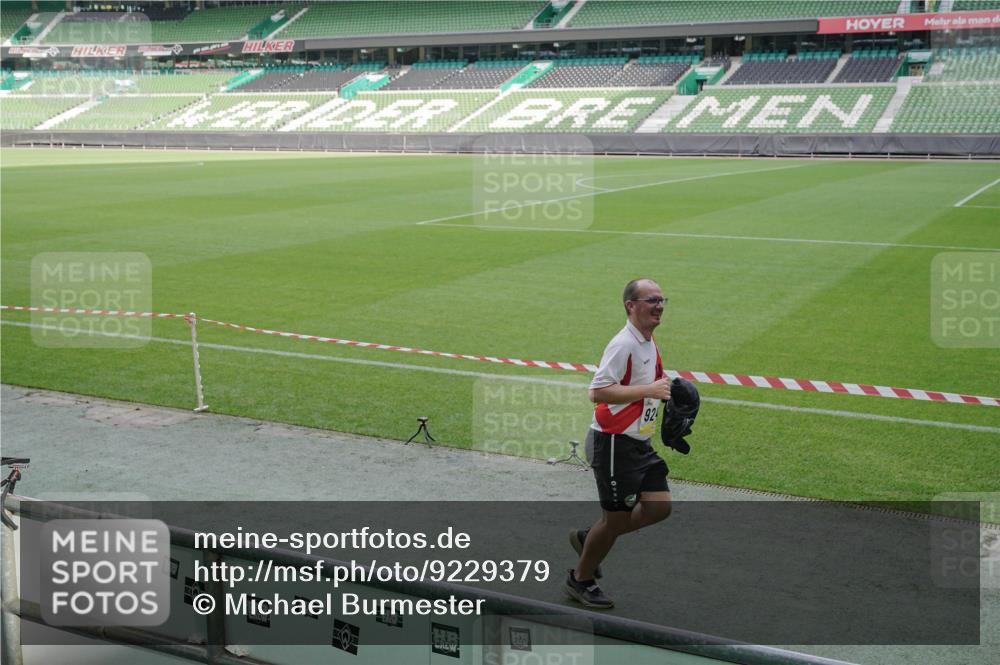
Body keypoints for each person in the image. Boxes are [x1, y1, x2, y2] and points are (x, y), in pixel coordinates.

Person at [565, 278, 673, 609]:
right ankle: (580, 579)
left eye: (661, 300)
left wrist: (672, 390)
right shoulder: (623, 344)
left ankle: (590, 539)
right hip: (613, 444)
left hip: (638, 442)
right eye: (651, 300)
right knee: (615, 519)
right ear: (631, 305)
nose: (659, 306)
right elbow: (597, 392)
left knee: (659, 507)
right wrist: (649, 392)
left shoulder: (648, 341)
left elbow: (651, 384)